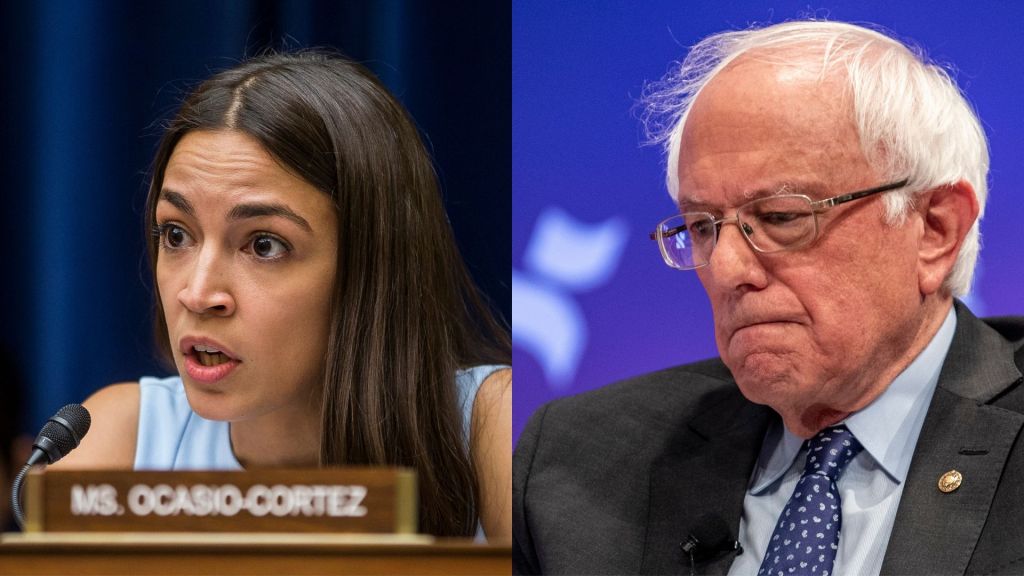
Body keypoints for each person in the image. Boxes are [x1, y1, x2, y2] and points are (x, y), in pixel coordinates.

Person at [513, 20, 1024, 575]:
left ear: (935, 230)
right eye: (703, 226)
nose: (728, 268)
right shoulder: (573, 464)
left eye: (781, 217)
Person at [52, 51, 512, 540]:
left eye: (263, 245)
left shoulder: (493, 429)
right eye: (176, 234)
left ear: (371, 266)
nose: (198, 293)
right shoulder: (118, 441)